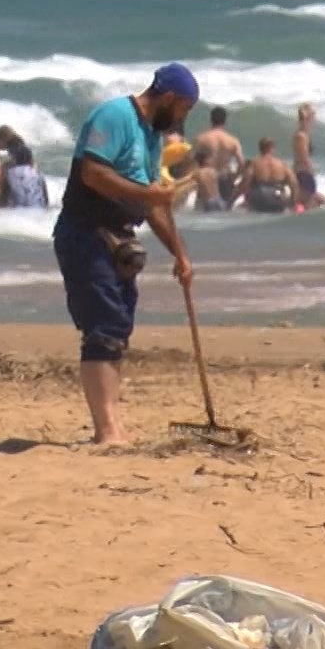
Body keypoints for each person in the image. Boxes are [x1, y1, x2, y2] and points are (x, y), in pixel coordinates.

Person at [53, 63, 197, 446]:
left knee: (118, 330)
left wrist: (180, 256)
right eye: (184, 109)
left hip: (119, 239)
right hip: (84, 233)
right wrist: (150, 195)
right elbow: (93, 174)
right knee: (102, 327)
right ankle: (106, 430)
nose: (182, 119)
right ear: (169, 98)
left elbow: (153, 208)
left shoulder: (151, 137)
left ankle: (113, 425)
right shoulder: (114, 115)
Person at [236, 137, 294, 214]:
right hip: (278, 196)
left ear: (260, 148)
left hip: (259, 196)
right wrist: (292, 203)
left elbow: (245, 182)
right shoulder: (282, 164)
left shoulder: (254, 163)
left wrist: (231, 200)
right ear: (273, 148)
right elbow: (294, 183)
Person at [195, 106, 244, 189]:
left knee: (204, 202)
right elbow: (241, 164)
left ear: (211, 119)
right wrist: (234, 177)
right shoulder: (233, 141)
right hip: (225, 180)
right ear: (225, 121)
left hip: (207, 179)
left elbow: (191, 161)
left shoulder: (201, 139)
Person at [3, 143, 49, 209]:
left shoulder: (9, 173)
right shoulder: (38, 174)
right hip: (38, 209)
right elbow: (45, 198)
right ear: (30, 159)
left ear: (14, 159)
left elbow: (5, 196)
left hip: (16, 211)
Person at [292, 103, 319, 210]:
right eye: (314, 115)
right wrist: (312, 172)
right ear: (308, 117)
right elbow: (304, 158)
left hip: (303, 173)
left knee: (306, 205)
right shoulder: (301, 136)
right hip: (303, 174)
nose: (315, 119)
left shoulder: (304, 135)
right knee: (306, 205)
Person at [190, 146, 223, 211]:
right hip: (219, 200)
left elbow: (190, 186)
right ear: (205, 160)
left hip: (208, 201)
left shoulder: (197, 173)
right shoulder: (213, 171)